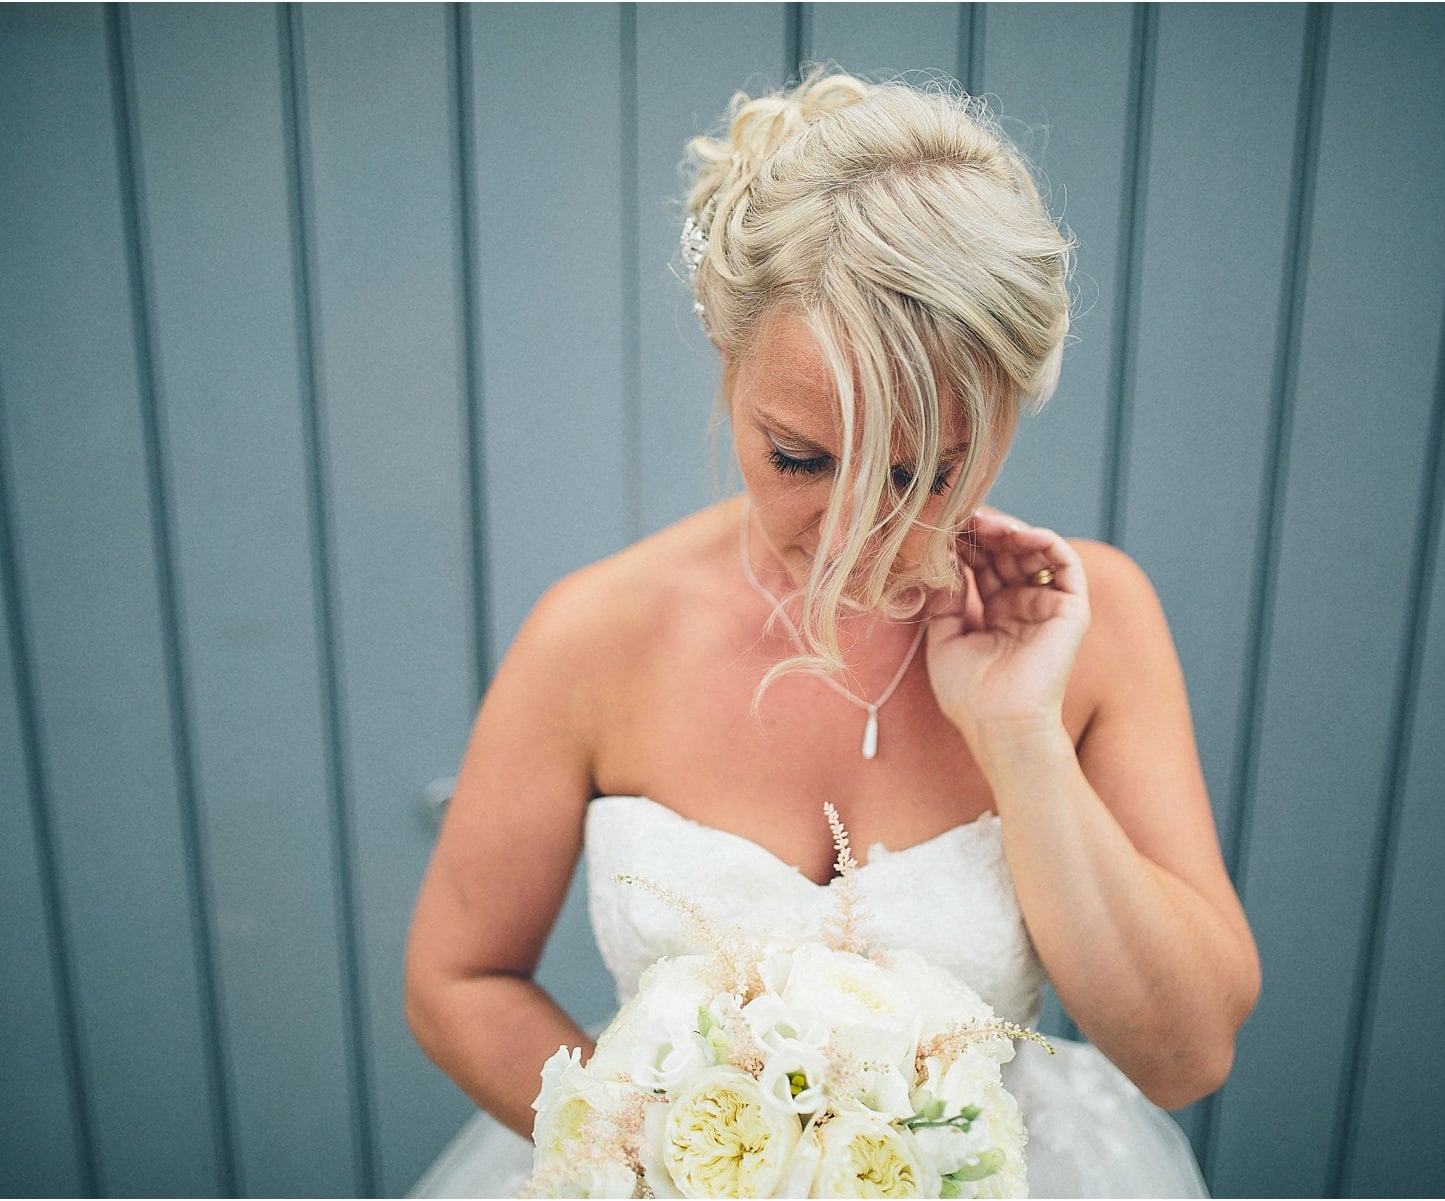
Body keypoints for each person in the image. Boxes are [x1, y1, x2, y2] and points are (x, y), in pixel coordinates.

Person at [404, 69, 1259, 1198]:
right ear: (728, 357)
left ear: (1012, 404)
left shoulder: (1097, 627)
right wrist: (653, 1156)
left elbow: (1185, 1054)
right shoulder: (598, 635)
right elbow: (458, 977)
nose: (858, 531)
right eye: (801, 457)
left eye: (925, 471)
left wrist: (1019, 737)